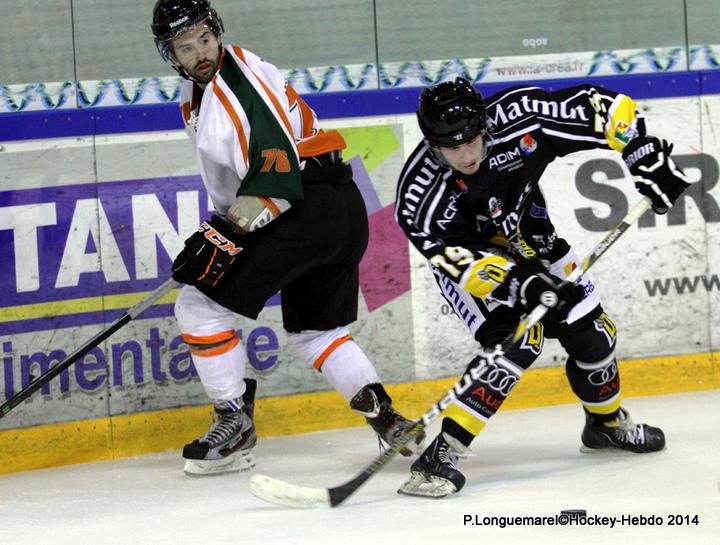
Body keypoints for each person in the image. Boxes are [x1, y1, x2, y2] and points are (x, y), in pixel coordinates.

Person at [150, 0, 423, 476]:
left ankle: (234, 425)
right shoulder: (211, 85)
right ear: (170, 55)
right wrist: (225, 229)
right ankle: (387, 418)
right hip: (337, 204)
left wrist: (226, 233)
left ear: (217, 33)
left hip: (301, 206)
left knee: (198, 307)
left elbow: (276, 181)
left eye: (205, 40)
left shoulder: (235, 90)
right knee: (317, 331)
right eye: (186, 47)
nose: (201, 53)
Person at [394, 77, 690, 497]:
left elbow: (603, 109)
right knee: (519, 340)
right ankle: (440, 456)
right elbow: (458, 262)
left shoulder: (522, 116)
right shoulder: (419, 196)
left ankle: (605, 425)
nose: (465, 155)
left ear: (485, 127)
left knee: (594, 334)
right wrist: (523, 285)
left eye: (472, 141)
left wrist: (642, 152)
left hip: (534, 240)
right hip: (478, 266)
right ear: (431, 144)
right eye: (450, 148)